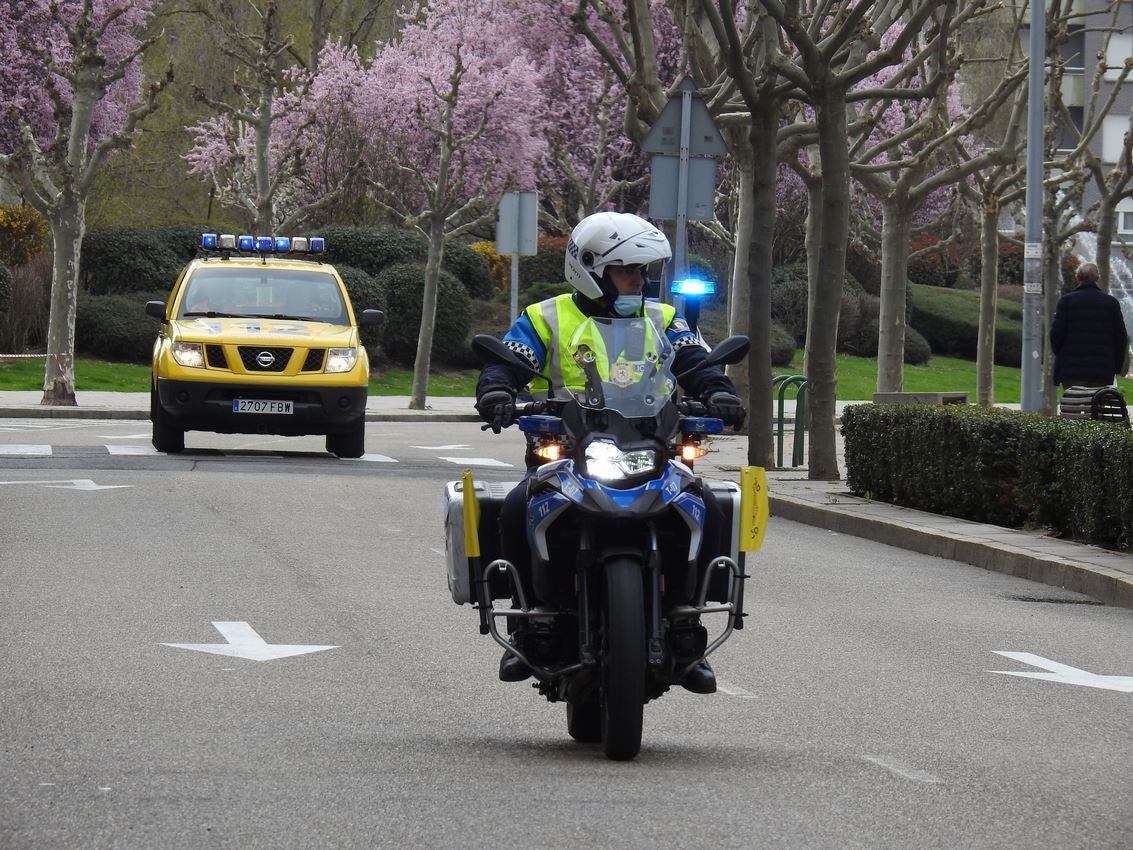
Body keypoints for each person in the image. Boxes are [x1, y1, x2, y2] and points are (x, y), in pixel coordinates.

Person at [475, 211, 746, 694]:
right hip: (565, 452)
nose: (638, 280)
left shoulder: (663, 318)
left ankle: (688, 631)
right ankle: (528, 626)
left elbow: (694, 361)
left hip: (651, 446)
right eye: (627, 270)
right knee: (516, 506)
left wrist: (718, 390)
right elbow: (511, 363)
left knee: (707, 504)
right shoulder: (546, 317)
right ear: (591, 269)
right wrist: (496, 391)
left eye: (643, 271)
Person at [1050, 262, 1130, 390]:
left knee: (1073, 406)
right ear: (1097, 278)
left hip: (1072, 368)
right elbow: (1121, 338)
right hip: (1102, 370)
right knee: (1096, 406)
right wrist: (1116, 366)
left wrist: (1063, 355)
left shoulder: (1066, 301)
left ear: (1078, 277)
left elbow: (1056, 335)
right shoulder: (1111, 303)